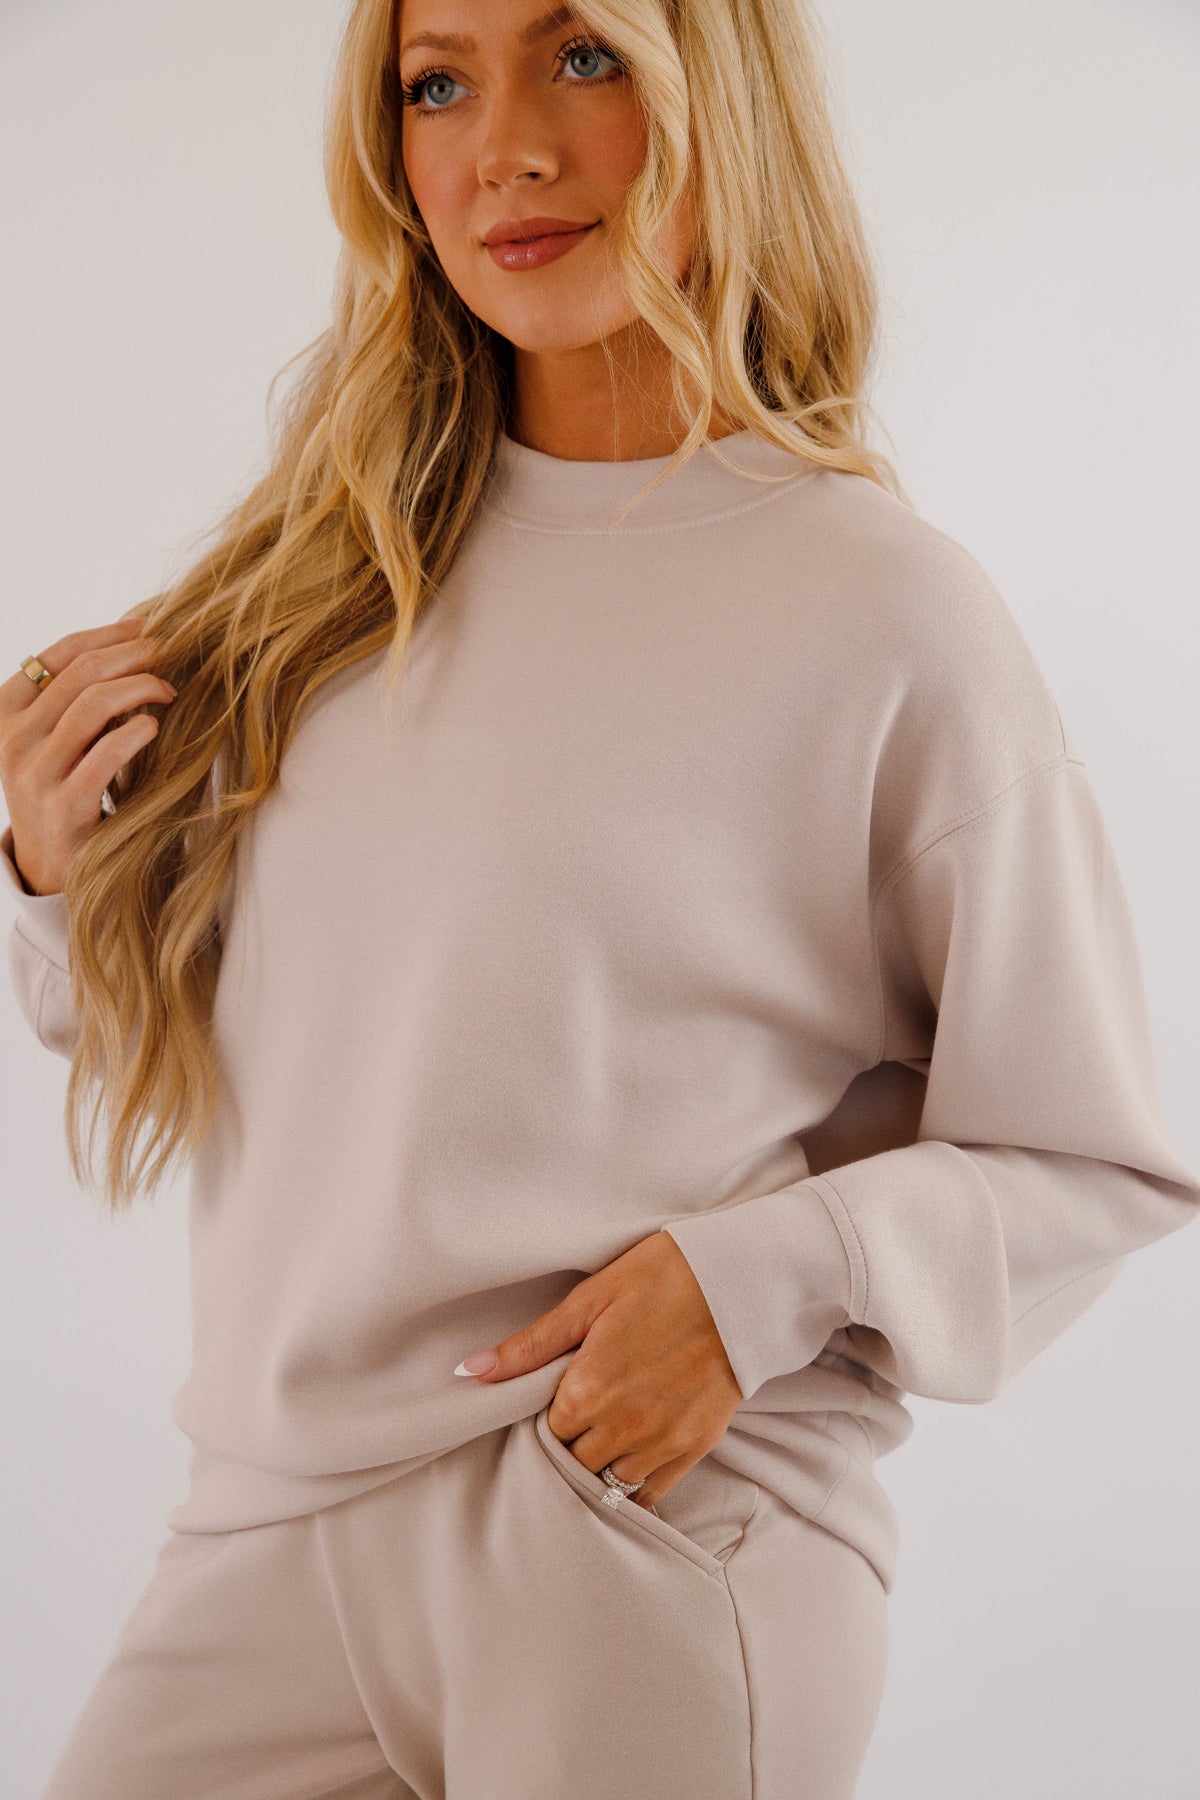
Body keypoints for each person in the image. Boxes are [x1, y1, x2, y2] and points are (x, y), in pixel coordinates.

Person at [2, 1, 1197, 1796]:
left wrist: (754, 1285)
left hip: (638, 1529)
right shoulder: (315, 588)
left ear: (721, 94)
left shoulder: (884, 614)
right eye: (437, 83)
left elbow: (1093, 1161)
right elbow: (235, 1050)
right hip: (263, 1533)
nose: (507, 150)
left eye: (586, 58)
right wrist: (59, 874)